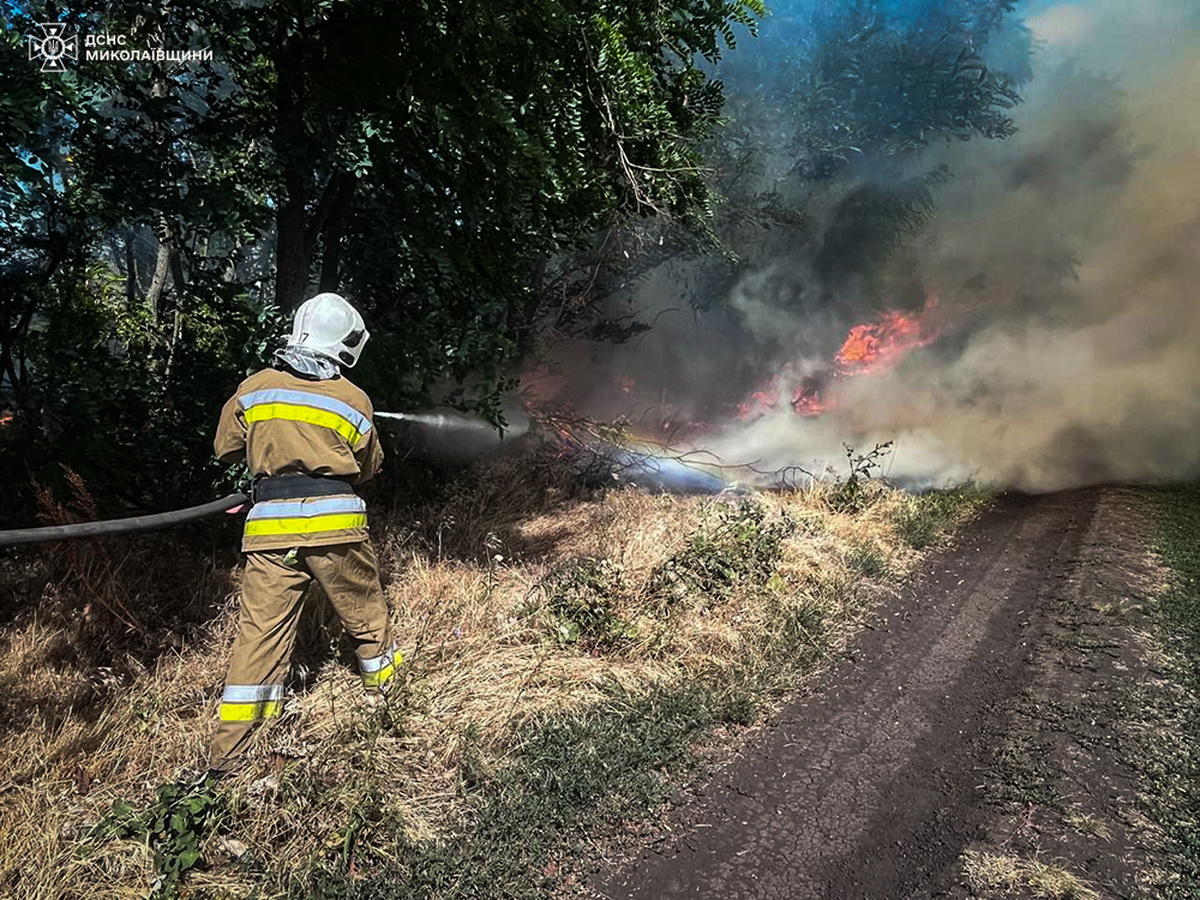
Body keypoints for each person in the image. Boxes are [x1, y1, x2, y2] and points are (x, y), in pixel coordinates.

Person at [208, 292, 399, 775]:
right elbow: (369, 467)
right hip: (336, 526)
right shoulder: (354, 399)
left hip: (271, 530)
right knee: (367, 619)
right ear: (345, 344)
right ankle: (391, 709)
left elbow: (226, 448)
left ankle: (230, 758)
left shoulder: (253, 389)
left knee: (259, 636)